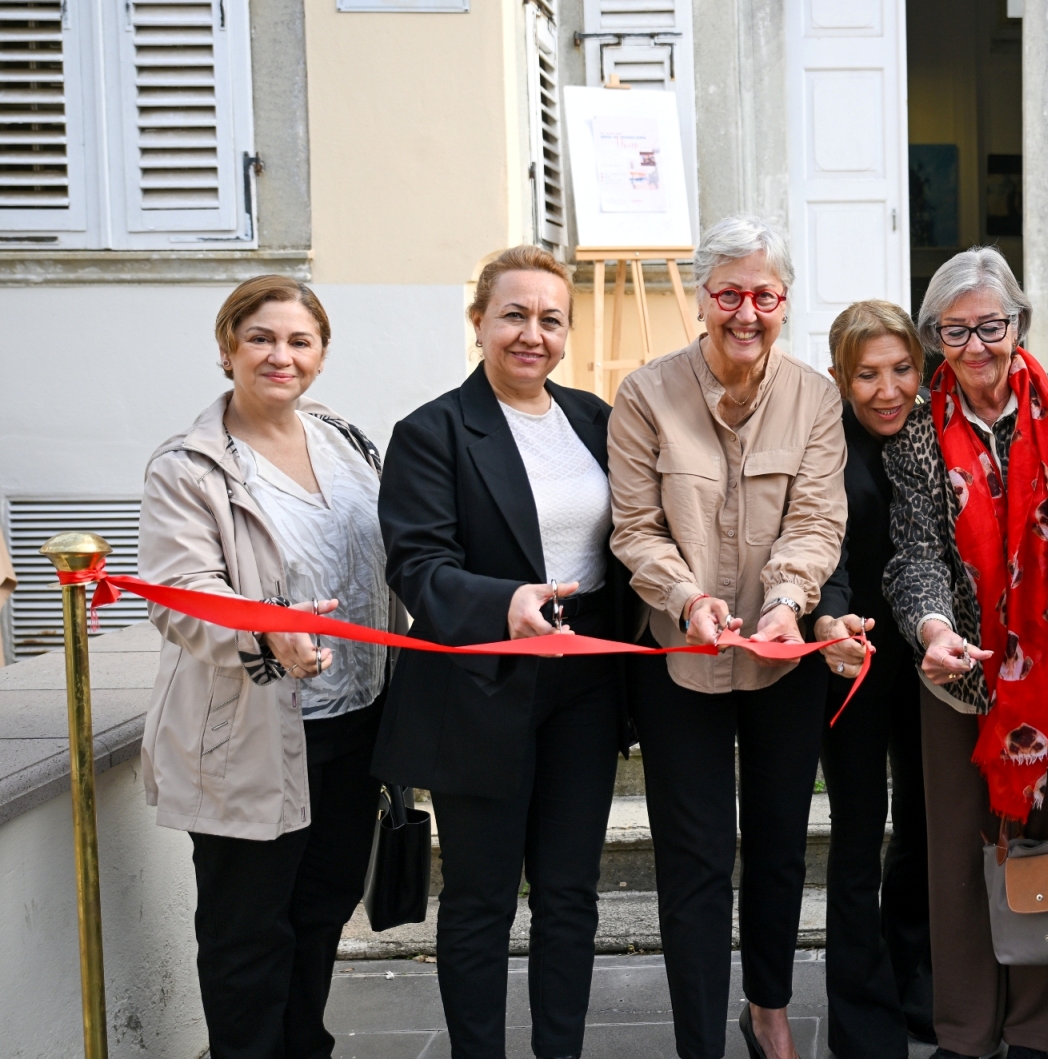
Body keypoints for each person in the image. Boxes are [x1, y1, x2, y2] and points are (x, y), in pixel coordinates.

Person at [373, 246, 636, 1059]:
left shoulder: (594, 419)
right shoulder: (432, 431)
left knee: (569, 892)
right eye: (514, 314)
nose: (532, 333)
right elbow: (418, 564)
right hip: (480, 683)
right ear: (479, 320)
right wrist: (504, 601)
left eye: (550, 319)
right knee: (481, 898)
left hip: (584, 682)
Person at [608, 215, 847, 1059]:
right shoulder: (643, 394)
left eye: (765, 296)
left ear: (784, 301)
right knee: (695, 857)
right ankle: (697, 1041)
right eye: (730, 294)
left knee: (779, 845)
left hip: (781, 656)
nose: (747, 313)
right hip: (682, 654)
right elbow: (635, 526)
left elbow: (816, 519)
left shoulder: (815, 397)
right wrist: (686, 599)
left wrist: (785, 601)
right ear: (702, 297)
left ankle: (769, 1010)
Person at [139, 275, 395, 1059]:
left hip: (356, 723)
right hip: (252, 732)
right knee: (246, 933)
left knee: (323, 911)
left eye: (299, 340)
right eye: (261, 338)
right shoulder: (188, 465)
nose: (280, 355)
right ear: (228, 350)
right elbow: (181, 594)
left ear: (320, 355)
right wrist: (268, 631)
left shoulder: (347, 442)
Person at [881, 247, 1048, 1059]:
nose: (975, 346)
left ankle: (1034, 1032)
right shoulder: (915, 429)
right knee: (958, 855)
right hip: (959, 679)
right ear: (935, 338)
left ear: (1019, 324)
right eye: (954, 330)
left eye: (990, 325)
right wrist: (932, 628)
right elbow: (915, 551)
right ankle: (966, 1031)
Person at [812, 299, 936, 1056]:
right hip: (849, 661)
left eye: (901, 370)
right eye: (867, 375)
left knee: (923, 827)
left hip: (927, 659)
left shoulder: (933, 434)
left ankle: (918, 982)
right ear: (839, 377)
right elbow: (815, 546)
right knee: (858, 835)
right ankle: (860, 1016)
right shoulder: (823, 444)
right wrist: (828, 624)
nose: (887, 390)